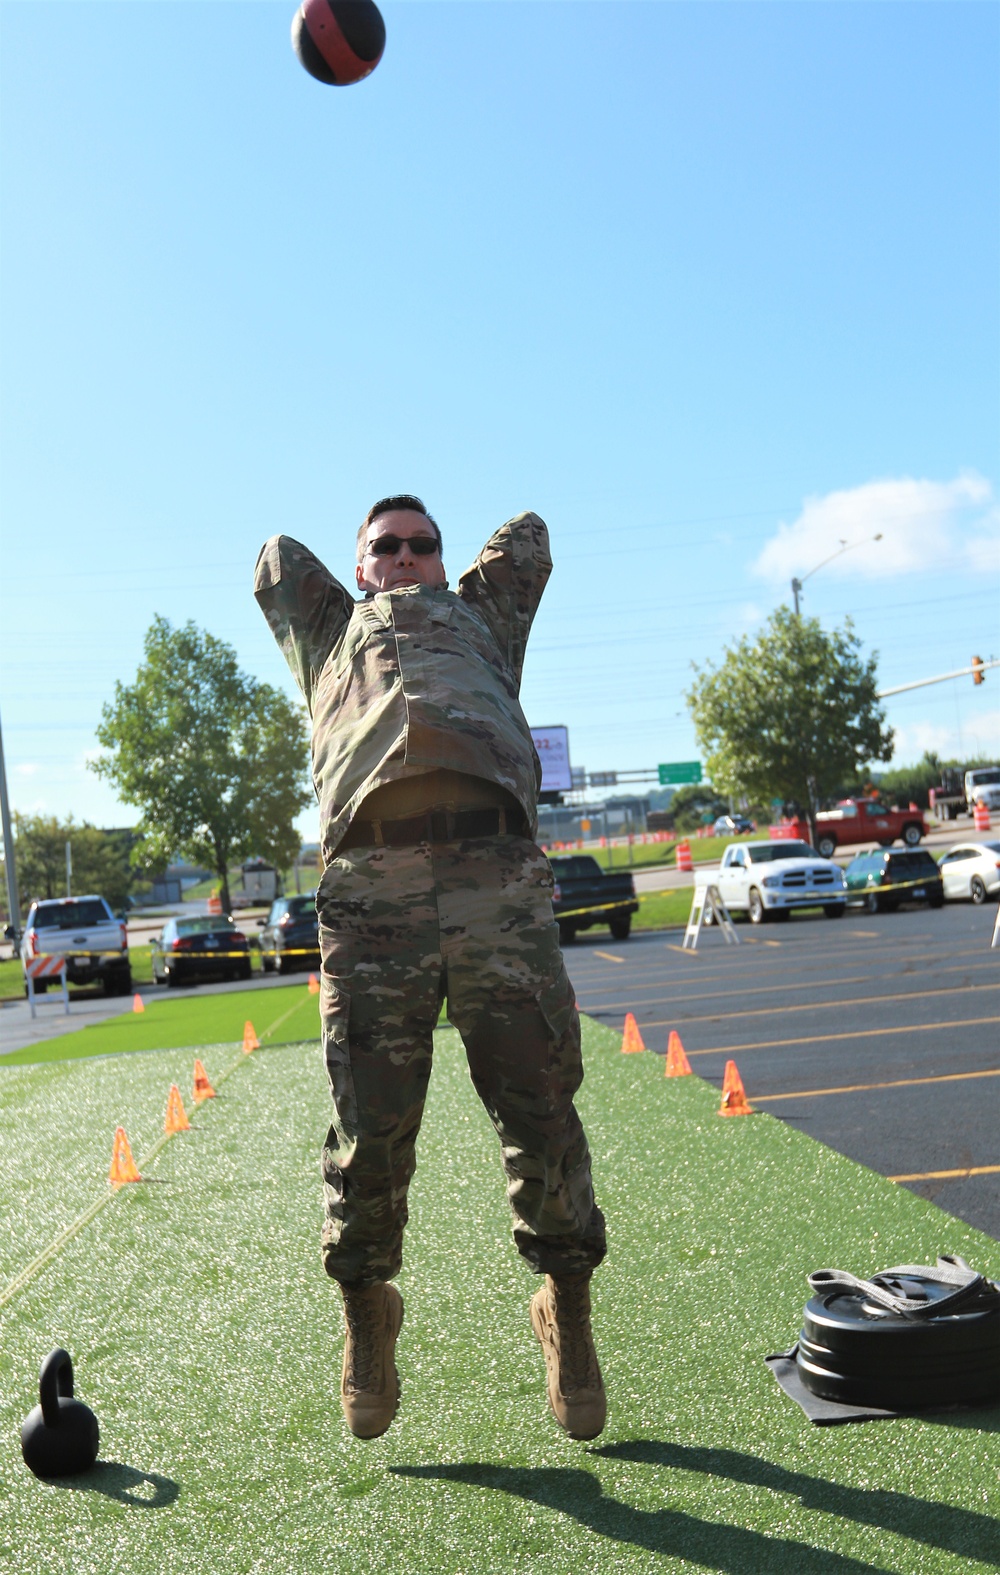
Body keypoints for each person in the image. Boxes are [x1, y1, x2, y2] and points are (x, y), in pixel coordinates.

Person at [254, 495, 606, 1441]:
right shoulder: (330, 632)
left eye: (423, 545)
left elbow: (532, 532)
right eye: (386, 548)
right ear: (359, 565)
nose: (406, 557)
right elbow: (277, 559)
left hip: (496, 875)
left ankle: (564, 1310)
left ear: (446, 563)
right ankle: (368, 1309)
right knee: (369, 1123)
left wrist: (451, 590)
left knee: (540, 1103)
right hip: (374, 887)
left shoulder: (483, 618)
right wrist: (362, 595)